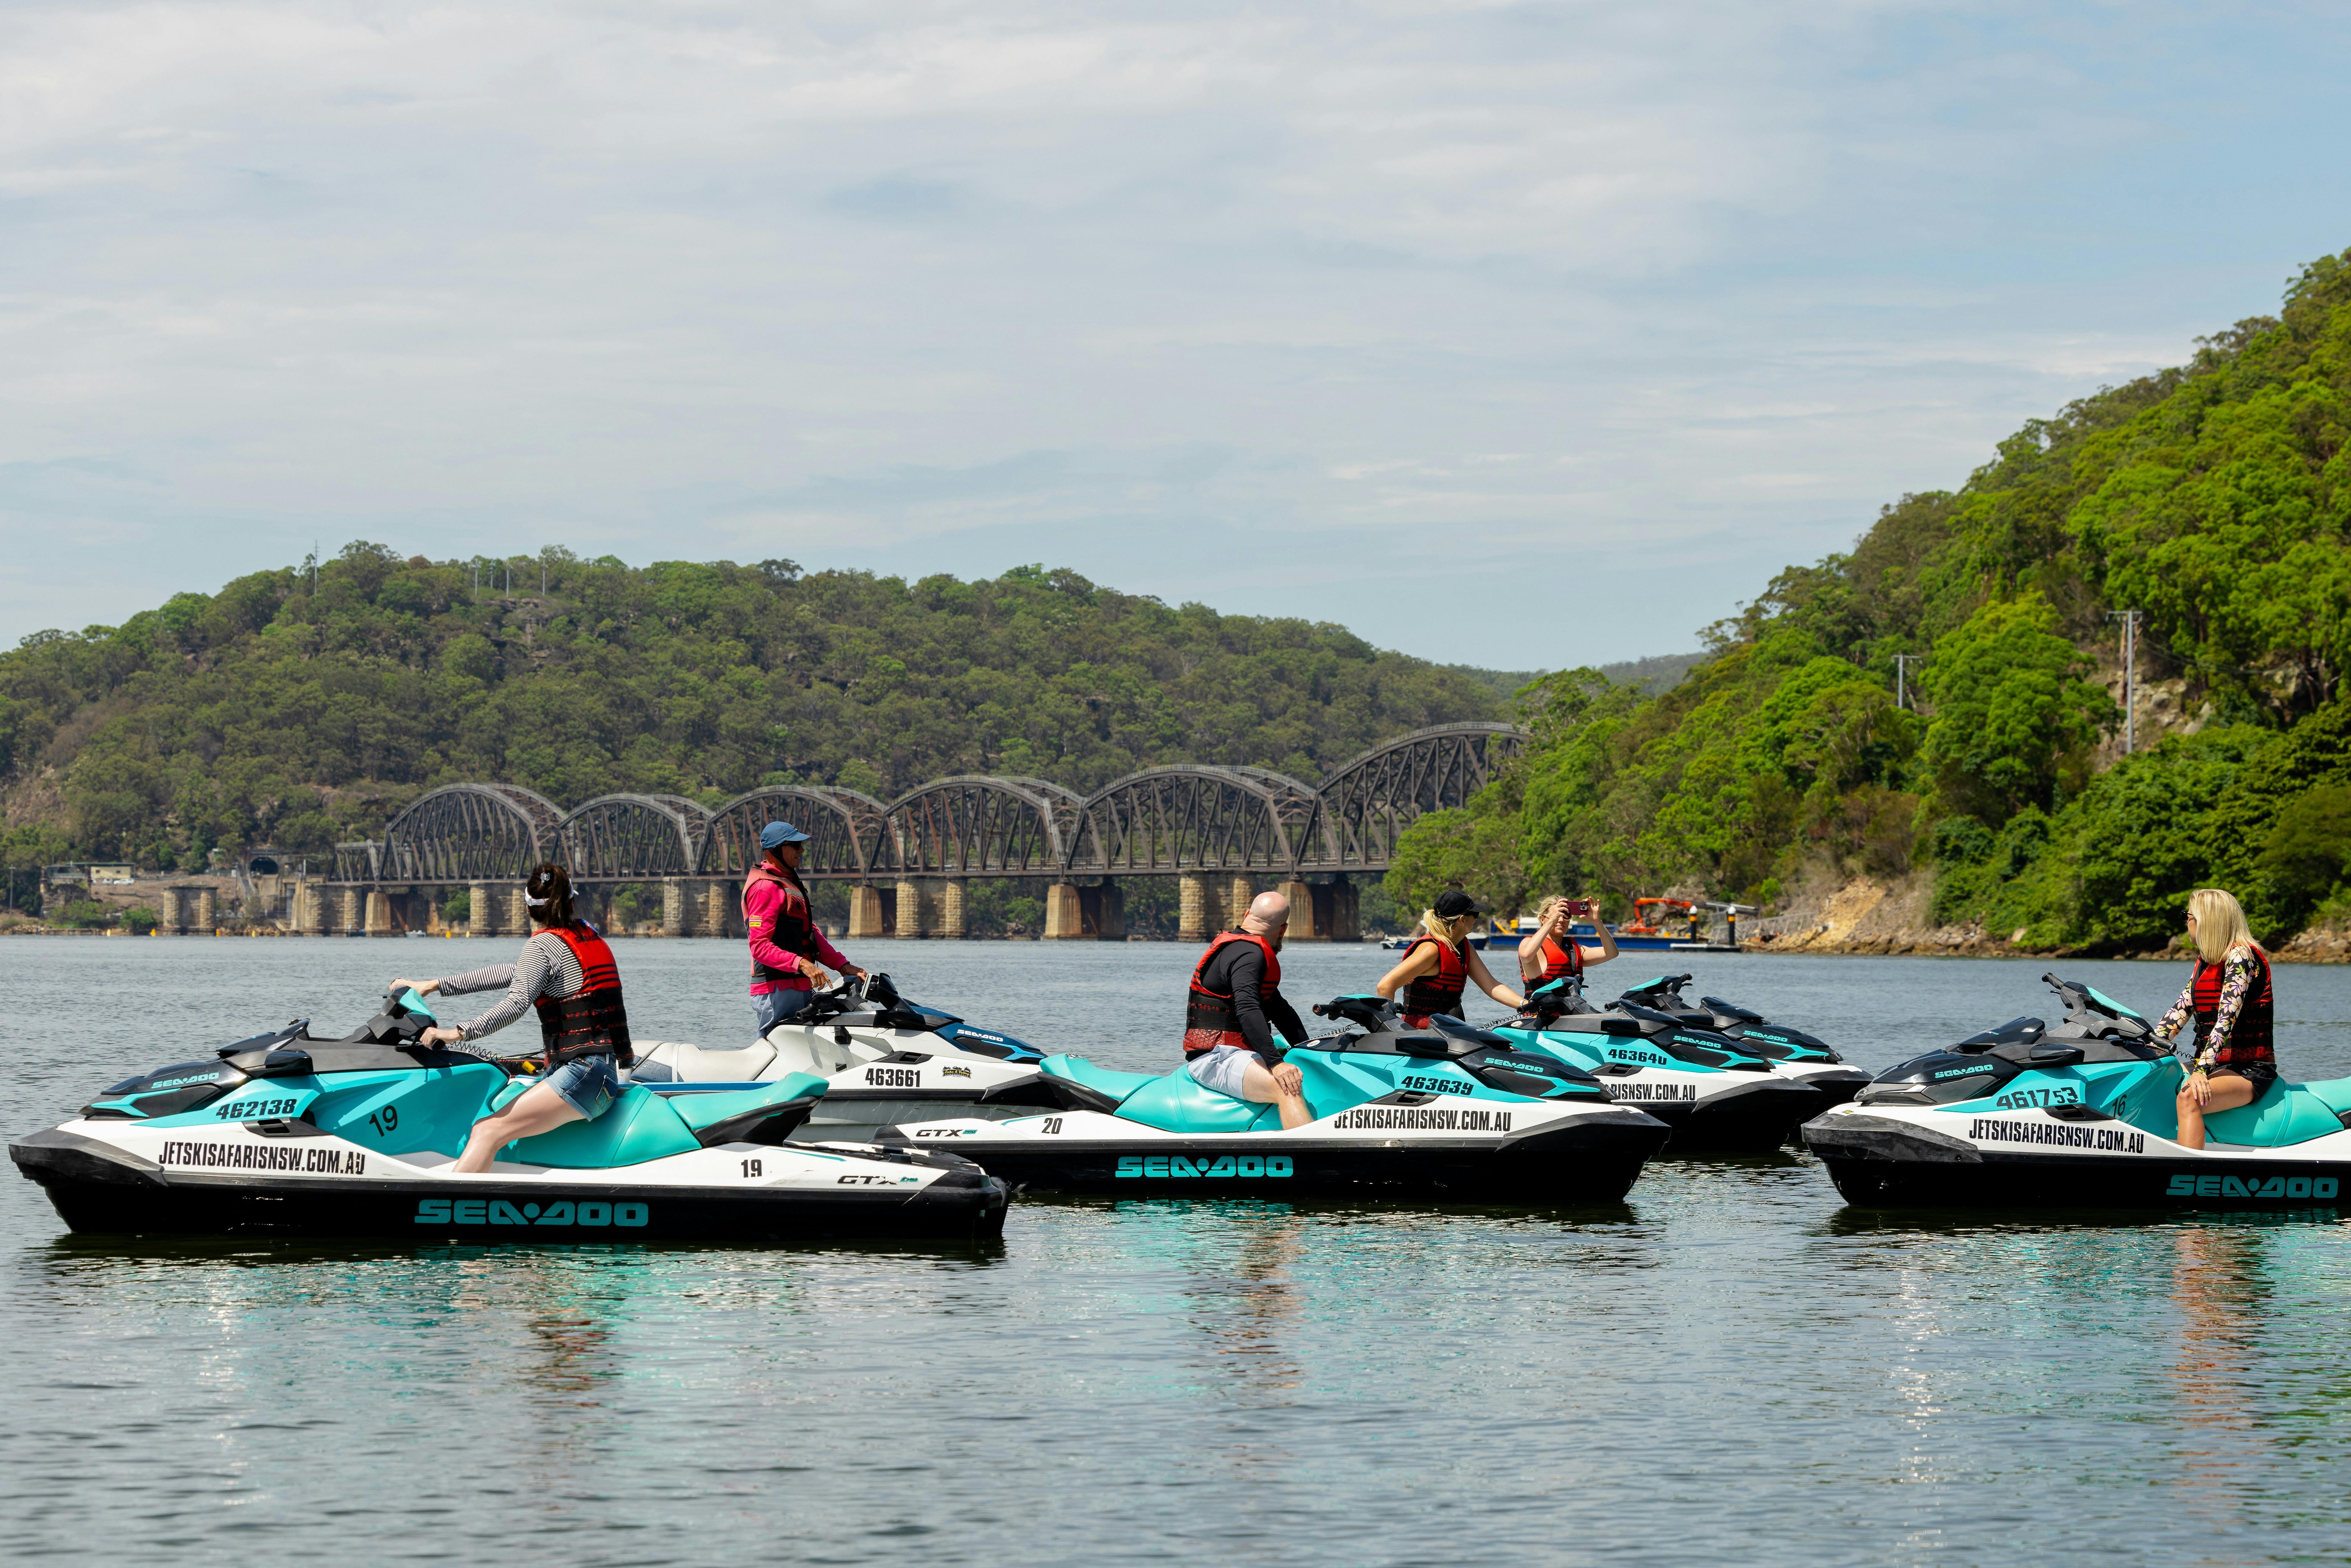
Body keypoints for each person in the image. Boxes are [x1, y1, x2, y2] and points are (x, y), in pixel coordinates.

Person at [390, 863, 634, 1174]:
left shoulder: (542, 945)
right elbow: (508, 974)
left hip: (581, 1074)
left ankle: (444, 1200)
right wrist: (432, 985)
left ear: (528, 907)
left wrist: (455, 1033)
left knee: (486, 1131)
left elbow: (516, 1003)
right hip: (601, 1073)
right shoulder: (590, 940)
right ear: (571, 900)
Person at [2153, 888, 2277, 1151]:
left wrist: (2200, 1071)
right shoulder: (2205, 960)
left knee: (2190, 1098)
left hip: (2248, 1069)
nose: (2186, 922)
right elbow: (2180, 1010)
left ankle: (2188, 1168)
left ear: (2206, 920)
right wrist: (2147, 1047)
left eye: (2188, 916)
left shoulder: (2241, 957)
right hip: (2215, 1064)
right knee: (2150, 1077)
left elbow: (2225, 1022)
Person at [1184, 890, 1312, 1129]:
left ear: (1246, 915)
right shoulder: (1249, 955)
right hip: (1215, 1058)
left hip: (1233, 1053)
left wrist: (1311, 1050)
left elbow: (1280, 1011)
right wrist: (1276, 1064)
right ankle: (1312, 1153)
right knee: (1287, 1087)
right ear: (1283, 930)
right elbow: (1247, 1008)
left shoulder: (1239, 948)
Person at [744, 821, 864, 1034]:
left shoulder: (789, 883)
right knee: (776, 1045)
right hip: (776, 988)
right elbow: (759, 947)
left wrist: (843, 966)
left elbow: (810, 934)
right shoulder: (765, 888)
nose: (802, 850)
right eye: (795, 845)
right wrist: (803, 964)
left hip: (798, 984)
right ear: (775, 850)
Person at [1378, 889, 1527, 1027]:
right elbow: (1385, 986)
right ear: (1462, 920)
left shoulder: (1465, 948)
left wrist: (1525, 1005)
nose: (1476, 919)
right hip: (1420, 1035)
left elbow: (1492, 986)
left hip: (1451, 1032)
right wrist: (1390, 1029)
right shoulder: (1430, 950)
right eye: (1475, 915)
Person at [1517, 893, 1619, 991]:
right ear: (1542, 919)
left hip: (1571, 1003)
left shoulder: (1574, 951)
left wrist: (1597, 923)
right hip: (1540, 1003)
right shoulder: (1529, 944)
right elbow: (1526, 956)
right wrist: (1552, 920)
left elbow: (1612, 953)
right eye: (1556, 915)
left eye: (1566, 915)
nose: (1561, 920)